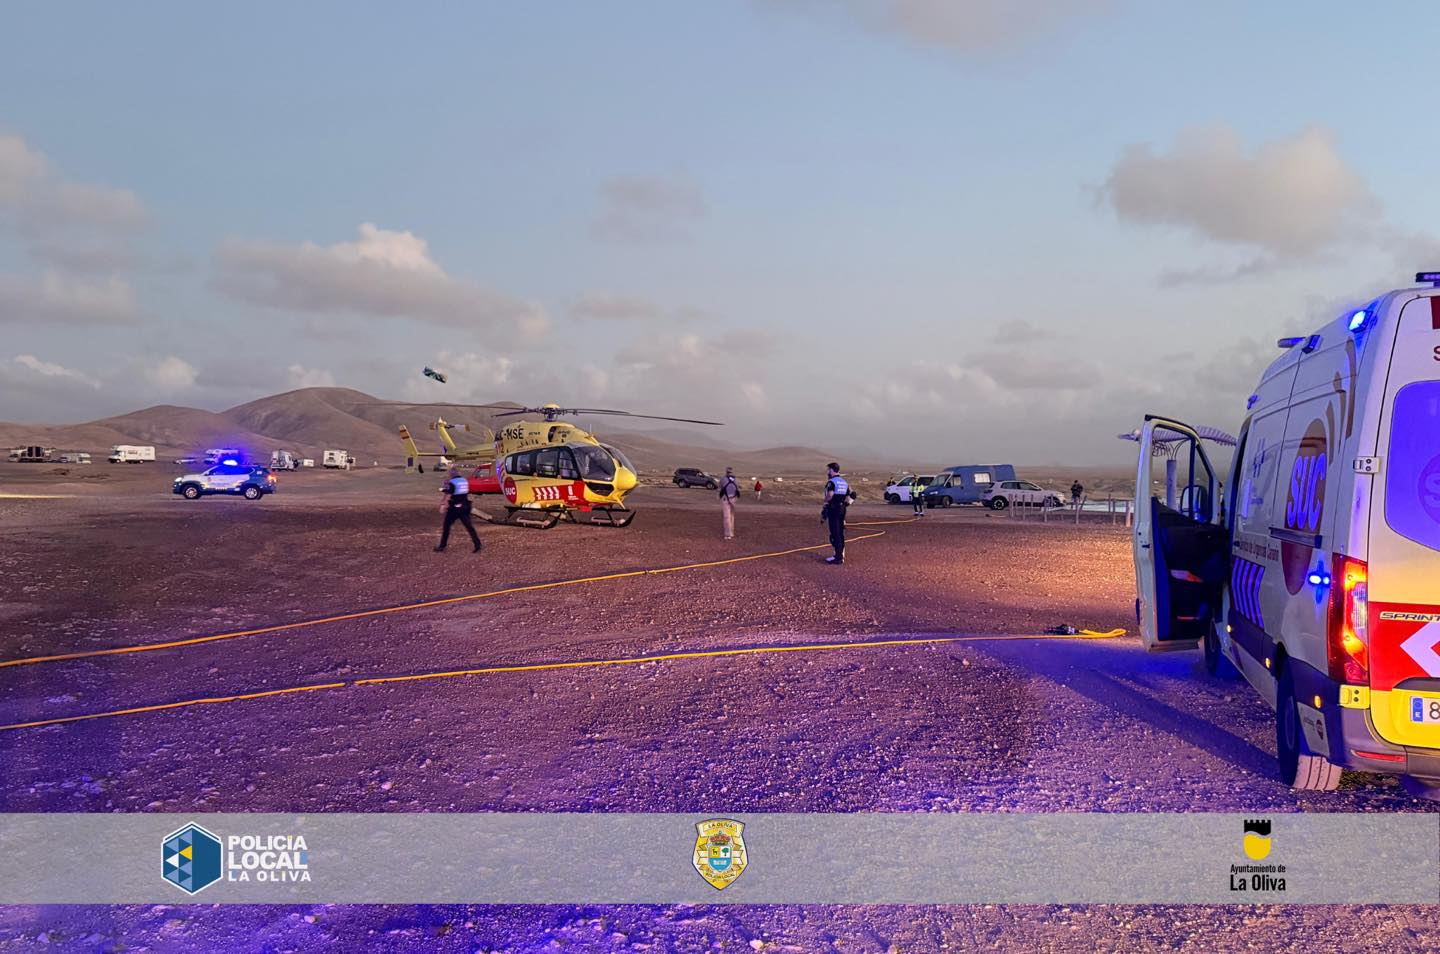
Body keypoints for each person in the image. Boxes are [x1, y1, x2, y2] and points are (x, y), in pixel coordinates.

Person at [436, 466, 482, 553]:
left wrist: (443, 505)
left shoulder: (452, 482)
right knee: (469, 527)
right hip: (465, 506)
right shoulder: (464, 480)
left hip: (454, 508)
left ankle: (442, 546)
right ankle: (477, 544)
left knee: (446, 526)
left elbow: (448, 495)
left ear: (451, 474)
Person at [822, 462, 849, 564]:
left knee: (835, 533)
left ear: (832, 470)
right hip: (842, 509)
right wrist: (845, 504)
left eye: (829, 470)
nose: (828, 472)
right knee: (840, 532)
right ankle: (840, 555)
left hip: (834, 509)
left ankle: (838, 557)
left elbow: (830, 494)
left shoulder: (832, 482)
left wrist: (825, 502)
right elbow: (852, 494)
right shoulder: (844, 482)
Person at [718, 466, 740, 539]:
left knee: (726, 516)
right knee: (731, 516)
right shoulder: (736, 479)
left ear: (726, 471)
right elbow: (738, 488)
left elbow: (720, 487)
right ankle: (731, 533)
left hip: (725, 499)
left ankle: (727, 534)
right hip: (733, 498)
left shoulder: (723, 479)